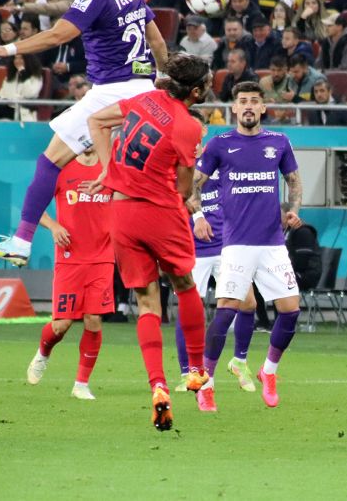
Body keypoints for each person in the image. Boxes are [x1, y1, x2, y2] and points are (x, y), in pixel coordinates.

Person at [0, 0, 167, 267]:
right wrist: (164, 83)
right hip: (145, 89)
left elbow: (59, 34)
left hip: (112, 91)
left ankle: (22, 242)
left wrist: (7, 48)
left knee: (49, 162)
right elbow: (158, 43)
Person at [84, 54, 213, 430]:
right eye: (206, 82)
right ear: (194, 91)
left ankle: (157, 386)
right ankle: (196, 370)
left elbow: (96, 122)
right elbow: (185, 188)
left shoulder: (142, 100)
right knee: (185, 283)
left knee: (145, 303)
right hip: (159, 212)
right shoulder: (188, 125)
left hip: (121, 214)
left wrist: (108, 168)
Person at [189, 81, 304, 412]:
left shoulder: (278, 142)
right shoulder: (219, 145)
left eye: (255, 101)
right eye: (243, 101)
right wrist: (197, 214)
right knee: (225, 309)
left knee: (290, 309)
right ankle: (205, 384)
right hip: (236, 243)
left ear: (263, 108)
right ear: (234, 108)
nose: (249, 106)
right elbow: (192, 188)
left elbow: (293, 181)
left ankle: (268, 371)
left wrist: (294, 209)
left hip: (272, 242)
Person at [174, 109, 256, 393]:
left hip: (225, 245)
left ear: (204, 131)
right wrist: (197, 218)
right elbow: (180, 195)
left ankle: (239, 360)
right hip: (191, 249)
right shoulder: (177, 161)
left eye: (197, 130)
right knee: (189, 311)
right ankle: (187, 374)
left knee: (248, 303)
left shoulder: (222, 158)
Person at [25, 146, 112, 400]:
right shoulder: (62, 167)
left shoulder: (109, 167)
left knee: (93, 319)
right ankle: (43, 352)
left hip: (102, 258)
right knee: (62, 325)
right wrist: (53, 226)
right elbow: (34, 206)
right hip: (69, 258)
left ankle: (81, 384)